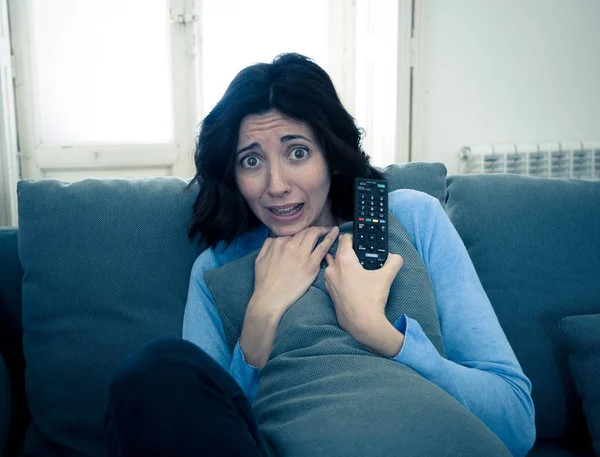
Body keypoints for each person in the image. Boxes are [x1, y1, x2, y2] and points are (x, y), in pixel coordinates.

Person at [104, 53, 535, 457]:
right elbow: (208, 428)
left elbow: (516, 421)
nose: (276, 185)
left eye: (298, 152)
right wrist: (262, 315)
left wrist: (379, 333)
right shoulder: (217, 268)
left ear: (330, 155)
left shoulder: (411, 217)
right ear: (232, 174)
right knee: (154, 370)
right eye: (251, 161)